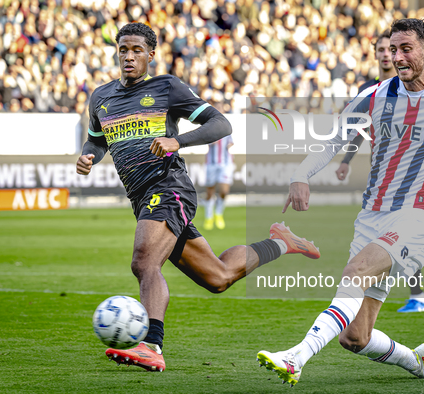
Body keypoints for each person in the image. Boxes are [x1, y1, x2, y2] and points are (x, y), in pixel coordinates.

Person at [257, 19, 424, 386]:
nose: (397, 56)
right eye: (393, 49)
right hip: (371, 216)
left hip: (417, 217)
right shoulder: (374, 96)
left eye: (406, 49)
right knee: (355, 337)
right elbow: (333, 141)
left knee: (355, 271)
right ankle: (417, 360)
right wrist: (300, 175)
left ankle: (296, 357)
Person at [76, 23, 321, 373]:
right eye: (123, 50)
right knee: (218, 277)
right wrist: (89, 156)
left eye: (136, 50)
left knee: (144, 263)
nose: (129, 56)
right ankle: (280, 243)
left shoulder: (166, 87)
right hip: (141, 198)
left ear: (150, 55)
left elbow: (221, 124)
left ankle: (151, 345)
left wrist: (180, 140)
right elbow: (96, 139)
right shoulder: (101, 97)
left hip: (168, 186)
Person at [334, 29, 424, 314]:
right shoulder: (370, 90)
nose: (385, 54)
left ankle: (418, 294)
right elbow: (359, 128)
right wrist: (346, 161)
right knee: (392, 234)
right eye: (380, 49)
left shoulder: (417, 83)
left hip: (414, 171)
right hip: (381, 170)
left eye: (388, 49)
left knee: (402, 233)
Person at [203, 134, 234, 230]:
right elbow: (205, 141)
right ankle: (208, 217)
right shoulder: (210, 129)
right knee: (210, 192)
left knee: (224, 191)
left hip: (225, 164)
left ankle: (218, 213)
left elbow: (231, 143)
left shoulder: (227, 131)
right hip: (211, 164)